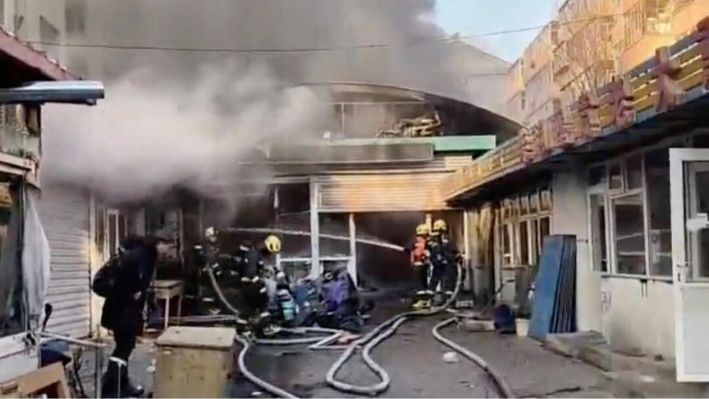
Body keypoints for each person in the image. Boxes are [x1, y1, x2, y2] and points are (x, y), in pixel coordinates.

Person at [101, 232, 171, 398]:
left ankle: (121, 385)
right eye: (167, 245)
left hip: (126, 310)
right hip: (123, 311)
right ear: (158, 243)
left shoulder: (146, 255)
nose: (168, 250)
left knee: (125, 346)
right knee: (124, 348)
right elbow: (122, 282)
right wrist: (133, 293)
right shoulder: (139, 257)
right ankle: (110, 388)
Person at [236, 234, 282, 336]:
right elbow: (251, 272)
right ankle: (266, 327)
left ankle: (241, 330)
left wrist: (277, 272)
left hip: (247, 286)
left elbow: (265, 267)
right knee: (263, 303)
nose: (271, 255)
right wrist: (260, 285)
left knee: (247, 308)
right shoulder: (254, 255)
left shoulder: (257, 254)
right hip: (251, 285)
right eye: (271, 252)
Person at [427, 219, 461, 303]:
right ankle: (445, 299)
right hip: (442, 263)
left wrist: (456, 256)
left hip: (442, 263)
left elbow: (453, 251)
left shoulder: (433, 239)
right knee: (443, 281)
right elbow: (451, 250)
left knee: (438, 281)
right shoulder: (440, 239)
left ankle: (440, 299)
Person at [410, 223, 432, 309]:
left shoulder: (418, 243)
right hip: (423, 265)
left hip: (420, 266)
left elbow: (415, 254)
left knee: (420, 286)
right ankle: (425, 301)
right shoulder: (427, 243)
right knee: (424, 284)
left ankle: (422, 301)